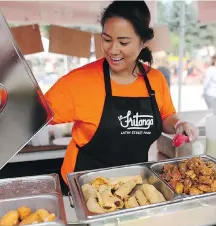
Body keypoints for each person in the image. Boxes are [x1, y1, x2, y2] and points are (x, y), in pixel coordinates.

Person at [45, 1, 199, 193]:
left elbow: (165, 116)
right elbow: (34, 114)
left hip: (133, 186)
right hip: (84, 188)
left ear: (143, 42)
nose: (113, 50)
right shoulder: (78, 82)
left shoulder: (155, 80)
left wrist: (179, 124)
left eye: (123, 42)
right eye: (107, 39)